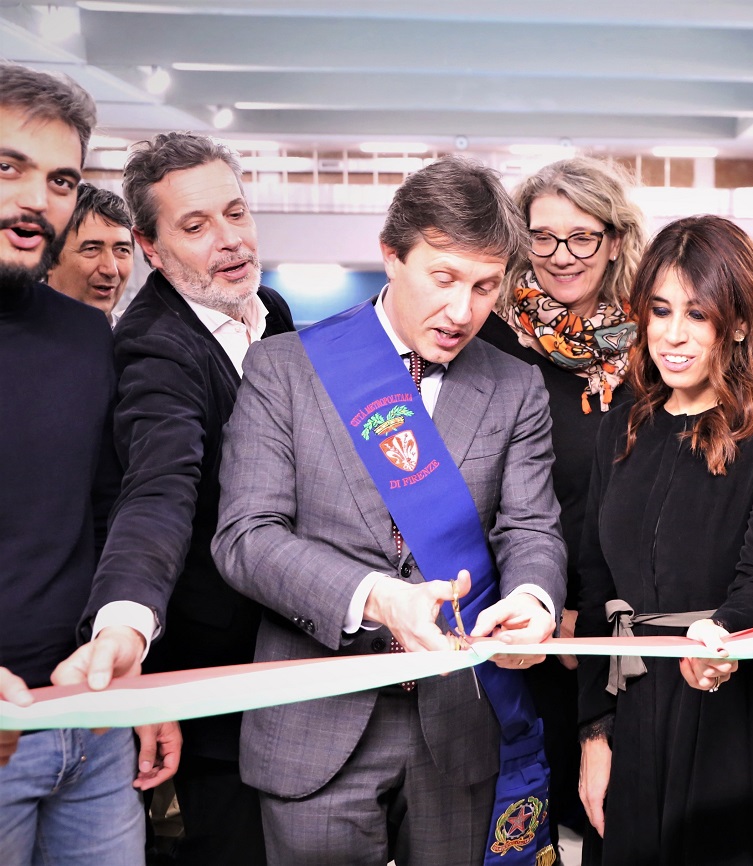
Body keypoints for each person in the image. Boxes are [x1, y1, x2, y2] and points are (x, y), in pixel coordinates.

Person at [212, 156, 567, 866]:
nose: (463, 312)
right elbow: (246, 539)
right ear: (391, 255)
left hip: (459, 724)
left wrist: (534, 600)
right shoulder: (283, 369)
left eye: (485, 287)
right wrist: (376, 598)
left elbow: (530, 527)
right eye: (443, 279)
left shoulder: (515, 387)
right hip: (315, 728)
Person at [54, 132, 295, 866]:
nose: (229, 241)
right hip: (212, 668)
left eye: (236, 214)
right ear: (150, 248)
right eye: (195, 227)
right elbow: (158, 489)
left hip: (295, 652)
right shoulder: (155, 349)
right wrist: (127, 627)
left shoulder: (272, 312)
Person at [576, 214, 753, 865]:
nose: (673, 335)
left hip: (737, 716)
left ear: (740, 321)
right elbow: (596, 586)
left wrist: (721, 643)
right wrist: (594, 736)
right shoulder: (621, 427)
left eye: (698, 313)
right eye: (660, 312)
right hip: (635, 711)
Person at [0, 61, 178, 865]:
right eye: (8, 167)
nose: (36, 200)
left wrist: (136, 661)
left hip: (89, 724)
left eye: (61, 178)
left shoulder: (82, 341)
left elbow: (114, 513)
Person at [477, 156, 646, 856]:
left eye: (582, 236)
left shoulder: (652, 344)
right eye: (542, 237)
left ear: (614, 239)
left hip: (626, 626)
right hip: (520, 622)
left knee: (619, 819)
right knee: (525, 821)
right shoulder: (492, 337)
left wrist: (596, 612)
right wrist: (549, 603)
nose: (560, 256)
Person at [44, 182, 134, 324]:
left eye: (122, 250)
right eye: (92, 249)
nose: (111, 270)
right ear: (47, 259)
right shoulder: (13, 341)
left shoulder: (139, 340)